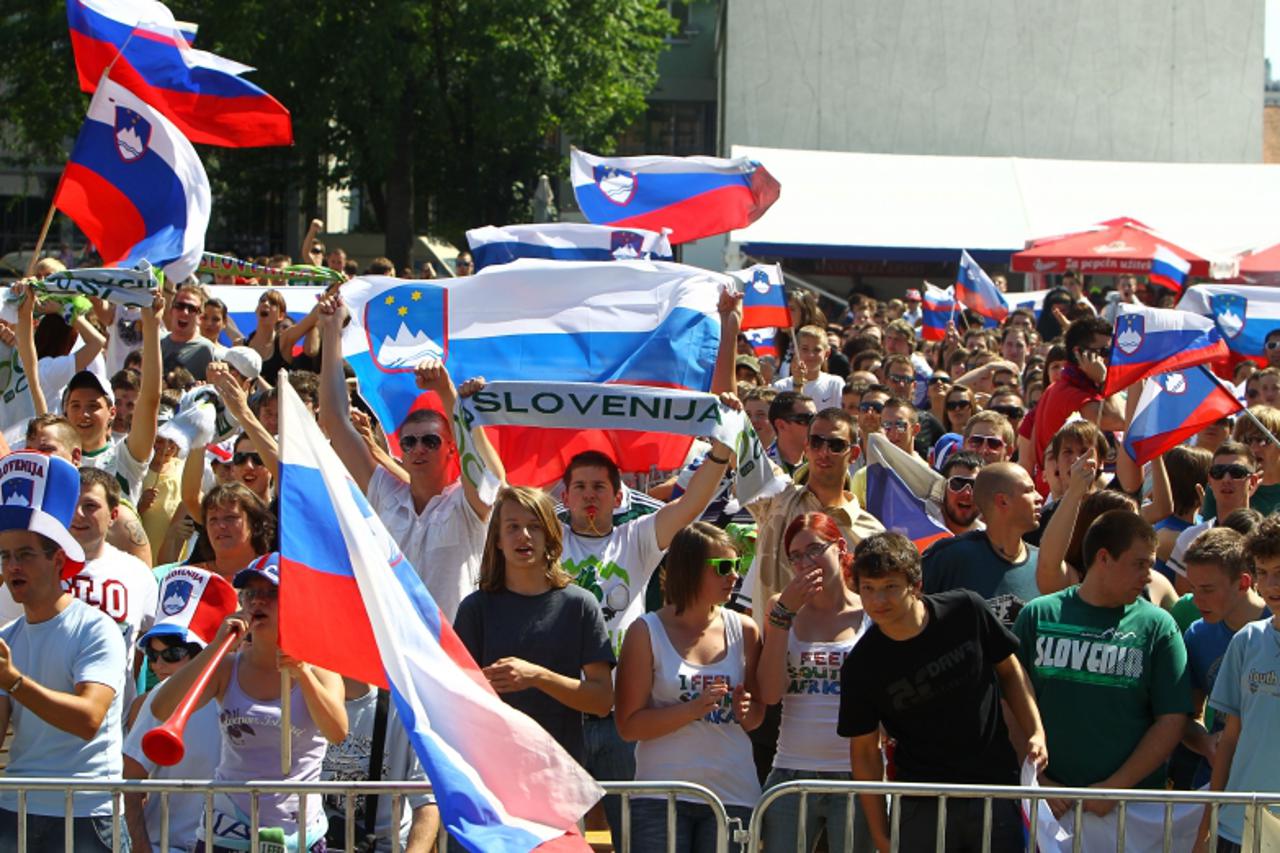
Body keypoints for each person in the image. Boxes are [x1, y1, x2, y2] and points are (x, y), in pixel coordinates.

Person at [839, 532, 1047, 853]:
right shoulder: (861, 665)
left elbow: (1010, 670)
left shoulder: (967, 609)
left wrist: (1036, 731)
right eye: (869, 588)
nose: (879, 601)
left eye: (890, 587)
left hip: (994, 790)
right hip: (921, 803)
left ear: (916, 585)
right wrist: (881, 835)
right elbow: (864, 752)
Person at [318, 293, 505, 621]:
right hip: (397, 656)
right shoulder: (384, 494)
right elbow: (334, 419)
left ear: (451, 447)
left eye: (431, 441)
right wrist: (331, 331)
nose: (418, 449)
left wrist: (448, 395)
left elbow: (493, 479)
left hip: (455, 656)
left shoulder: (466, 504)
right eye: (409, 442)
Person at [151, 553, 349, 852]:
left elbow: (337, 732)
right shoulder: (226, 667)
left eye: (271, 593)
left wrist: (302, 672)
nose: (258, 601)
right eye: (251, 594)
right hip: (227, 830)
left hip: (298, 835)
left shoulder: (321, 670)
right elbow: (162, 708)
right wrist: (217, 646)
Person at [1013, 511, 1192, 814]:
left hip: (1132, 811)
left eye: (1151, 564)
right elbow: (1011, 703)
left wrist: (1115, 787)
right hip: (1047, 807)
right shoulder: (1038, 616)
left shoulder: (1159, 626)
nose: (1149, 576)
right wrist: (1038, 781)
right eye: (1140, 564)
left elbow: (1172, 719)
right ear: (1104, 558)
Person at [0, 452, 124, 852]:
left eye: (25, 554)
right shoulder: (8, 636)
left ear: (58, 560)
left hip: (85, 812)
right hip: (15, 808)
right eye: (5, 556)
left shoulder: (96, 627)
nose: (12, 566)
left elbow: (88, 718)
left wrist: (13, 681)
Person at [615, 523, 764, 851]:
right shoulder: (646, 631)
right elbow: (628, 726)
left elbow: (754, 719)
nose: (734, 576)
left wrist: (746, 710)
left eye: (737, 566)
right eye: (723, 567)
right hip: (661, 796)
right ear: (690, 569)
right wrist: (693, 709)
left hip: (733, 795)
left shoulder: (746, 629)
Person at [454, 486, 614, 763]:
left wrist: (538, 677)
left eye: (534, 526)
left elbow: (602, 701)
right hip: (492, 773)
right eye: (513, 526)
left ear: (550, 535)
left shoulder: (580, 605)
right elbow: (455, 700)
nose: (524, 536)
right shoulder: (474, 609)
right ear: (498, 540)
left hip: (561, 773)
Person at [757, 513, 871, 852]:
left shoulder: (869, 611)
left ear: (840, 547)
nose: (805, 563)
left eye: (813, 550)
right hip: (792, 772)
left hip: (856, 772)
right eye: (795, 556)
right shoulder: (781, 608)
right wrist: (783, 616)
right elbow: (769, 692)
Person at [123, 567, 237, 853]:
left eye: (172, 653)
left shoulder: (250, 689)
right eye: (152, 654)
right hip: (169, 847)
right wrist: (140, 847)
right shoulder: (158, 698)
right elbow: (128, 780)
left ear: (210, 648)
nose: (158, 665)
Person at [1194, 516, 1280, 853]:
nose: (1271, 585)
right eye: (1262, 572)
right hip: (1237, 825)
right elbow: (1229, 740)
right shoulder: (1247, 641)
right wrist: (1208, 823)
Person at [1180, 528, 1268, 789]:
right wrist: (1207, 743)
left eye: (1207, 589)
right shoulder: (1197, 635)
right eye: (1193, 588)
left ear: (1242, 582)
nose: (1197, 600)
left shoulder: (1272, 628)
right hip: (1217, 779)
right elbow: (1185, 718)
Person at [66, 468, 159, 709]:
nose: (78, 514)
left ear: (113, 514)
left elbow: (152, 646)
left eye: (90, 506)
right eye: (72, 503)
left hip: (112, 730)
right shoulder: (35, 568)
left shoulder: (137, 574)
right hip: (41, 728)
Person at [922, 462, 1045, 625]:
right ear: (1002, 501)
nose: (1040, 498)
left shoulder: (1044, 565)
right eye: (1029, 490)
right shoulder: (947, 558)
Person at [1028, 316, 1126, 491]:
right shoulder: (1070, 394)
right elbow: (1120, 420)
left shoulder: (1060, 387)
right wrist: (1106, 380)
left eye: (1112, 352)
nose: (1110, 359)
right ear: (1079, 353)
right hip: (1062, 497)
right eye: (1104, 352)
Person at [771, 325, 844, 410]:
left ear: (827, 353)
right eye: (805, 349)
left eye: (817, 350)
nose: (810, 355)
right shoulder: (781, 386)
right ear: (795, 351)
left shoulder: (836, 384)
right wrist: (797, 385)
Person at [159, 285, 216, 381]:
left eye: (192, 309)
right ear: (171, 311)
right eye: (180, 306)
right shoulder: (157, 342)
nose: (185, 312)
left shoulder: (204, 349)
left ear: (200, 317)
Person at [766, 390, 817, 475]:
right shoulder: (762, 466)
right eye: (807, 419)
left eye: (816, 418)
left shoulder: (820, 463)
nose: (814, 425)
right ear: (781, 425)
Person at [938, 451, 983, 537]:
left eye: (975, 485)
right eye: (957, 484)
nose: (967, 493)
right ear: (943, 487)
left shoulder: (991, 543)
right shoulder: (922, 529)